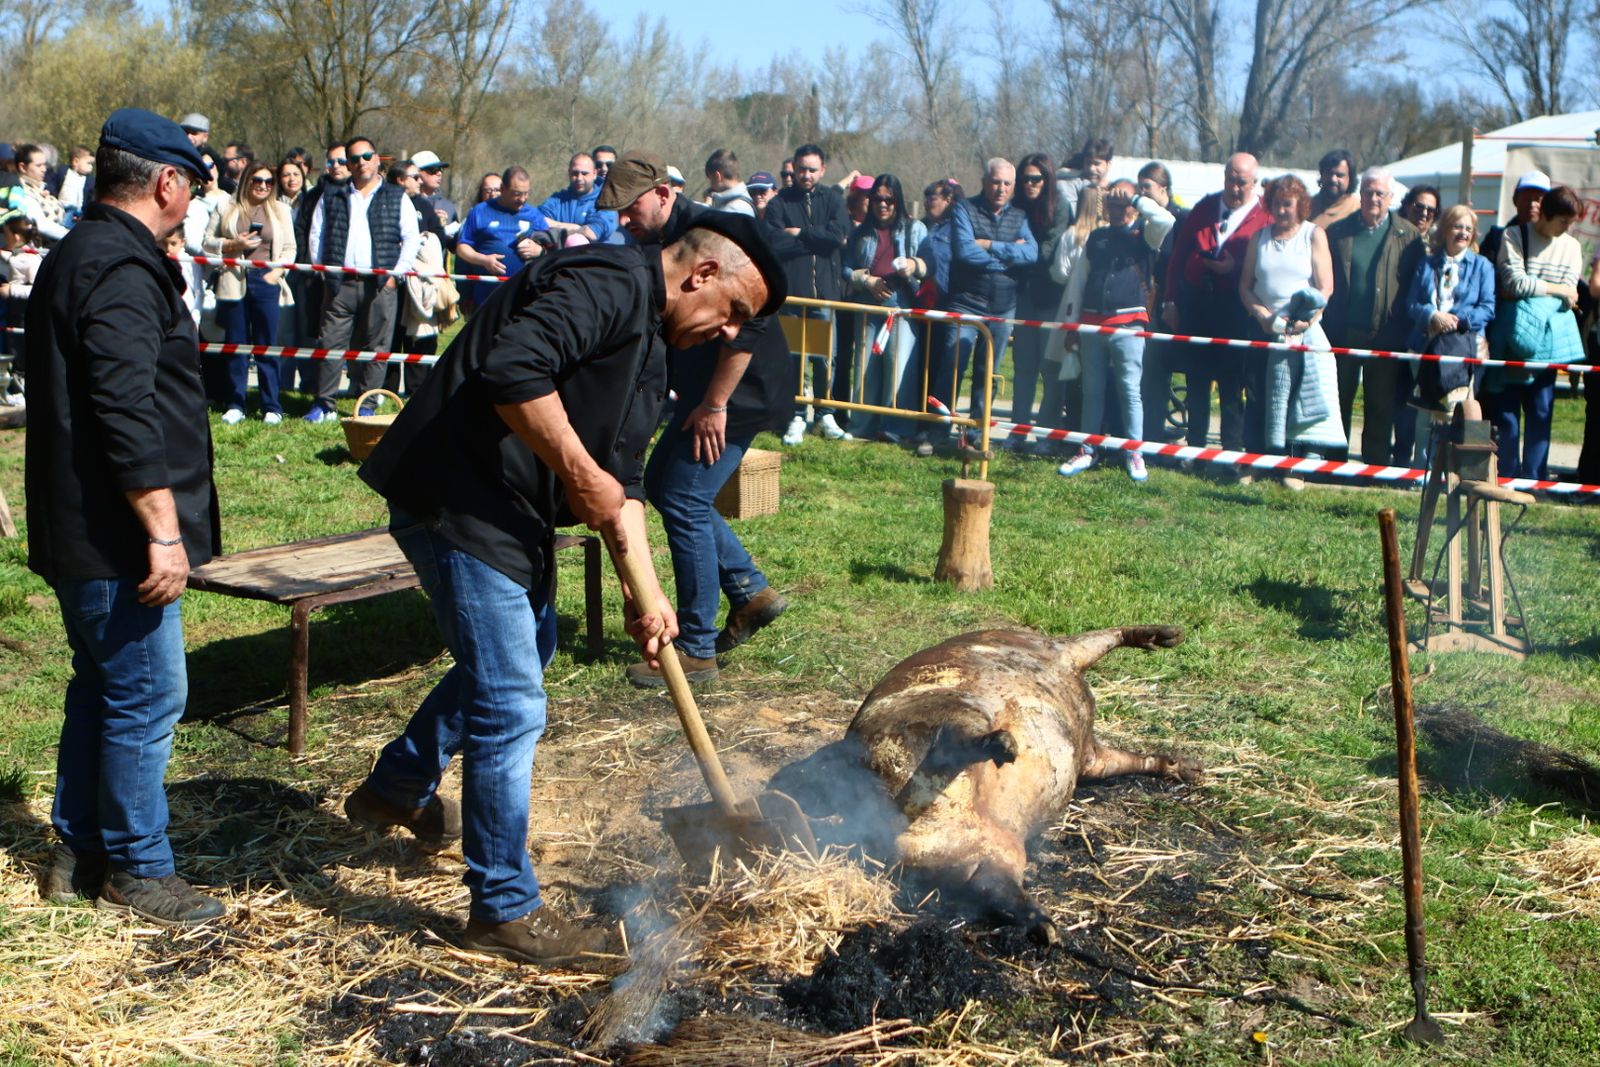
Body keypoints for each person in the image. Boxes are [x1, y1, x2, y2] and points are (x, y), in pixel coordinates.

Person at [346, 202, 785, 966]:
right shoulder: (603, 282)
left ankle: (400, 781)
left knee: (534, 642)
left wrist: (648, 596)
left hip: (509, 509)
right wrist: (580, 474)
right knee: (512, 697)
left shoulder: (651, 348)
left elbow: (625, 483)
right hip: (458, 495)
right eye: (734, 311)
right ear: (703, 272)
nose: (729, 333)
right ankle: (503, 909)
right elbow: (511, 369)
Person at [25, 108, 225, 927]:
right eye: (193, 186)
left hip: (82, 526)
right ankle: (139, 868)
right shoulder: (119, 266)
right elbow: (124, 410)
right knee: (148, 694)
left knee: (103, 685)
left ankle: (78, 851)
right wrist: (163, 531)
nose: (192, 201)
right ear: (167, 181)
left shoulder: (81, 251)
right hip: (116, 536)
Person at [603, 152, 797, 684]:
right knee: (665, 487)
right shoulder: (655, 242)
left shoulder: (722, 230)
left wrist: (715, 405)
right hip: (699, 396)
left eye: (630, 207)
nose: (623, 218)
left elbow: (750, 324)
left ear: (663, 194)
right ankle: (748, 591)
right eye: (616, 210)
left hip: (737, 396)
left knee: (685, 500)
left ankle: (696, 647)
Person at [1055, 180, 1175, 482]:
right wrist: (1072, 324)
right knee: (1092, 390)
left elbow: (1166, 219)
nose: (1119, 210)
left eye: (1124, 205)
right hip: (1091, 322)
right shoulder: (1096, 237)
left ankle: (1134, 451)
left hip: (1128, 324)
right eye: (1114, 204)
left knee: (1130, 391)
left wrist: (1136, 197)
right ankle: (1088, 448)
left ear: (1134, 208)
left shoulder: (1146, 233)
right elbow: (1079, 281)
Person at [304, 135, 421, 422]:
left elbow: (411, 239)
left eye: (366, 156)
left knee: (377, 347)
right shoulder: (331, 195)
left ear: (377, 159)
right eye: (354, 159)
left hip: (381, 285)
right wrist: (323, 271)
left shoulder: (397, 196)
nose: (361, 163)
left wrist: (395, 276)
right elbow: (317, 234)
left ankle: (367, 405)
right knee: (330, 345)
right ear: (348, 164)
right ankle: (324, 405)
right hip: (339, 283)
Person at [1162, 153, 1271, 457]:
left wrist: (1234, 270)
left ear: (1254, 183)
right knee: (1196, 381)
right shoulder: (1205, 208)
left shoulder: (1265, 215)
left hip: (1237, 309)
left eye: (1242, 182)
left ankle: (1231, 450)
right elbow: (1178, 257)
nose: (1235, 188)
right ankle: (1195, 447)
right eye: (1230, 180)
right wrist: (1170, 300)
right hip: (1197, 306)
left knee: (1232, 384)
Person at [1237, 174, 1343, 487]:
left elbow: (1325, 288)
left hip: (1303, 331)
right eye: (1276, 204)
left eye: (1287, 204)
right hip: (1265, 329)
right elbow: (1245, 287)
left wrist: (1306, 321)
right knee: (1258, 395)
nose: (1281, 210)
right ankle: (1257, 461)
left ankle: (1294, 468)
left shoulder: (1314, 234)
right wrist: (1262, 315)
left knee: (1298, 399)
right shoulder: (1259, 238)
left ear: (1300, 205)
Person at [1482, 185, 1585, 480]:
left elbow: (1571, 294)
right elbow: (1513, 283)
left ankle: (1535, 480)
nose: (1567, 228)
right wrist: (1556, 290)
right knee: (1507, 416)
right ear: (1547, 214)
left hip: (1549, 346)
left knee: (1541, 413)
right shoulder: (1514, 236)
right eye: (1563, 221)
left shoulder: (1572, 246)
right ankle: (1507, 477)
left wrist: (1537, 289)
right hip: (1513, 343)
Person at [1324, 167, 1424, 464]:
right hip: (1343, 331)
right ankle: (1333, 462)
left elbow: (1416, 284)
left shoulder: (1408, 235)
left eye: (1380, 193)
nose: (1374, 198)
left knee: (1380, 404)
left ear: (1390, 197)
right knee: (1338, 399)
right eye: (1368, 192)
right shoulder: (1338, 232)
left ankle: (1375, 464)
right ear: (1360, 194)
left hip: (1386, 333)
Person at [939, 157, 1037, 442]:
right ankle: (937, 428)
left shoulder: (1020, 216)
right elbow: (964, 251)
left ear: (1013, 186)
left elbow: (1031, 253)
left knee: (989, 371)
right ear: (984, 182)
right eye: (995, 182)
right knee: (952, 364)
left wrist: (990, 245)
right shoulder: (964, 209)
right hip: (966, 302)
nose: (1001, 188)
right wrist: (1007, 258)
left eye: (1007, 183)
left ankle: (975, 432)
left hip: (1003, 306)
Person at [765, 142, 851, 444]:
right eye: (801, 169)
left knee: (825, 358)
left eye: (812, 170)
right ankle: (797, 415)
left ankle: (825, 414)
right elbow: (775, 242)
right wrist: (818, 241)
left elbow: (838, 235)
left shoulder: (833, 200)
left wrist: (800, 233)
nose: (806, 175)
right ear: (794, 169)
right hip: (792, 296)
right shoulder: (779, 202)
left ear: (823, 170)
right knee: (795, 357)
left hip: (824, 294)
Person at [203, 162, 295, 424]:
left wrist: (275, 274)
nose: (263, 186)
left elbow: (290, 248)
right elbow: (207, 242)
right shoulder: (226, 206)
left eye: (268, 181)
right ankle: (236, 403)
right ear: (247, 181)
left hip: (266, 281)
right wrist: (234, 244)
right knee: (237, 345)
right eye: (257, 180)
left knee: (266, 345)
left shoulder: (281, 210)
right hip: (234, 280)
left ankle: (271, 406)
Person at [1403, 204, 1496, 463]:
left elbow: (1488, 308)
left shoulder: (1483, 266)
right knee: (1426, 412)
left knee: (1465, 411)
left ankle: (1463, 472)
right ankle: (1421, 472)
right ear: (1444, 230)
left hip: (1466, 348)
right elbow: (1411, 303)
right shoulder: (1426, 263)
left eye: (1468, 228)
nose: (1463, 233)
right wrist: (1433, 316)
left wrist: (1458, 322)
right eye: (1457, 226)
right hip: (1425, 345)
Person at [842, 173, 927, 442]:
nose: (882, 204)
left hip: (902, 307)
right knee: (865, 368)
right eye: (877, 199)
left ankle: (896, 428)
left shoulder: (915, 229)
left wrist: (913, 266)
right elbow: (846, 267)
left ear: (897, 200)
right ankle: (861, 426)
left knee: (897, 365)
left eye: (889, 199)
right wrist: (866, 281)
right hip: (868, 306)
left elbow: (929, 264)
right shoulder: (860, 233)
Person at [1137, 161, 1188, 445]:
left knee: (1162, 369)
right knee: (1148, 371)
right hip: (1145, 301)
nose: (1142, 192)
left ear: (1164, 188)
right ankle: (1147, 430)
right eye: (1139, 186)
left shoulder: (1181, 219)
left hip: (1170, 303)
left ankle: (1157, 432)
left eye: (1147, 186)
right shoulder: (1142, 218)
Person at [454, 165, 551, 310]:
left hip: (524, 300)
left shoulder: (534, 215)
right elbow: (462, 248)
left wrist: (540, 251)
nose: (522, 199)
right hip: (487, 299)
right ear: (503, 189)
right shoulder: (480, 211)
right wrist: (484, 260)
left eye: (526, 193)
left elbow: (552, 249)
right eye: (517, 194)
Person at [538, 153, 615, 244]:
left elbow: (591, 233)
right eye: (575, 173)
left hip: (595, 252)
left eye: (584, 173)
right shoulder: (557, 200)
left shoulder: (605, 201)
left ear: (595, 174)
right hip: (561, 252)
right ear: (569, 173)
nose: (579, 178)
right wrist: (576, 228)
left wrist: (554, 227)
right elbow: (537, 220)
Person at [1309, 149, 1358, 229]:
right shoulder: (1307, 207)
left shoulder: (1359, 209)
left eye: (1339, 175)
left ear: (1350, 179)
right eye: (1329, 173)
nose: (1333, 179)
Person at [704, 148, 754, 216]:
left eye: (710, 179)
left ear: (717, 176)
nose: (710, 185)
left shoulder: (734, 209)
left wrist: (707, 207)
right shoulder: (740, 204)